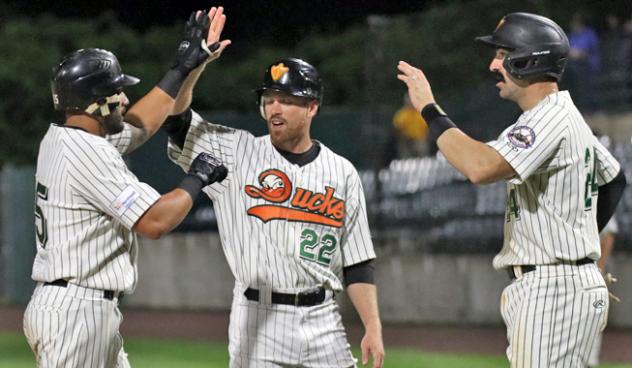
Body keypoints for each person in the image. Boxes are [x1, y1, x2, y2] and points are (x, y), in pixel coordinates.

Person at [397, 12, 626, 367]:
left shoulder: (549, 117)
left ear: (529, 59)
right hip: (563, 281)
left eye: (503, 55)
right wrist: (581, 250)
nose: (493, 65)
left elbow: (480, 167)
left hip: (554, 288)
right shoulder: (564, 115)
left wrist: (429, 108)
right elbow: (615, 179)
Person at [22, 7, 231, 368]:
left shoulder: (66, 138)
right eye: (117, 92)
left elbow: (142, 123)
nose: (124, 99)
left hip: (78, 306)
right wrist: (197, 176)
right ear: (95, 101)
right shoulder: (86, 152)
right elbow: (154, 222)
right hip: (76, 312)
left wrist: (185, 67)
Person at [163, 53, 385, 366]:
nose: (274, 108)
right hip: (258, 316)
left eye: (286, 100)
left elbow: (358, 261)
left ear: (312, 108)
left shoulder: (342, 171)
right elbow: (176, 122)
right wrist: (194, 66)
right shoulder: (237, 151)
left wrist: (372, 327)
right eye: (268, 99)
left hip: (324, 317)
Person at [588, 215, 621, 368]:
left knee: (594, 315)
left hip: (593, 269)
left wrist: (599, 269)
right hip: (576, 270)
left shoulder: (596, 196)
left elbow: (609, 235)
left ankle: (590, 362)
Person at [392, 93, 429, 158]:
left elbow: (427, 128)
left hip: (419, 140)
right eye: (408, 100)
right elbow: (397, 129)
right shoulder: (402, 114)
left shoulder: (420, 113)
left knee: (421, 154)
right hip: (406, 141)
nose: (410, 102)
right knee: (406, 157)